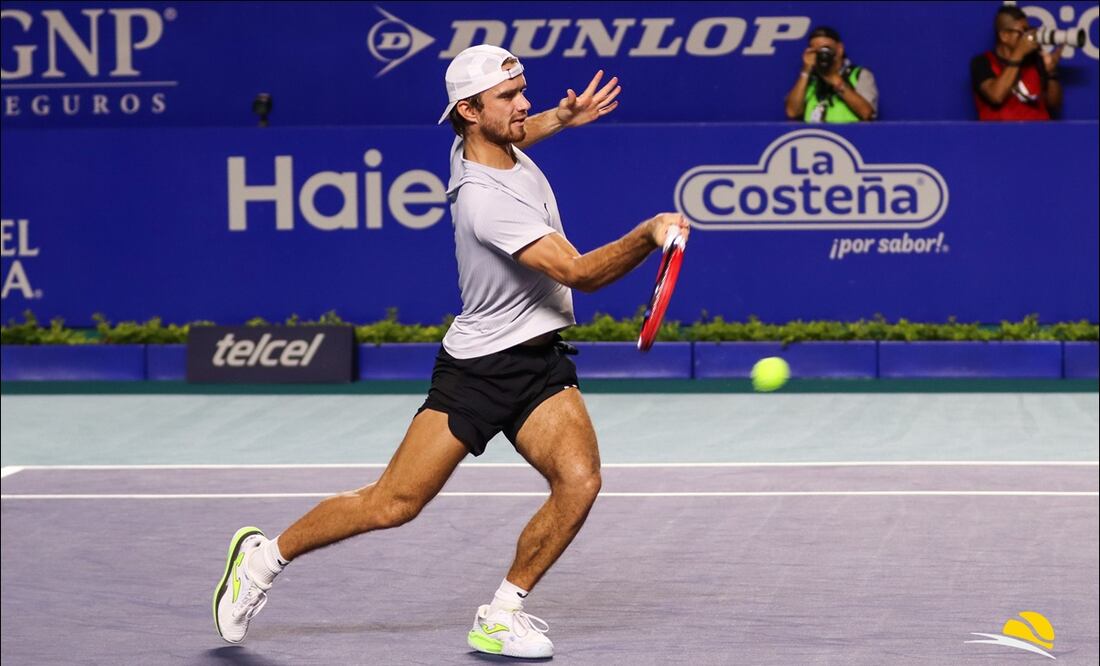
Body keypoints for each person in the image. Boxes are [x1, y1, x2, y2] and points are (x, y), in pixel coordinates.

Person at [212, 44, 691, 659]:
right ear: (468, 110)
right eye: (510, 98)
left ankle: (502, 612)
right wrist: (650, 232)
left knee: (579, 481)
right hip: (480, 370)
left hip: (539, 359)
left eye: (524, 91)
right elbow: (579, 273)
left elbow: (518, 133)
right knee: (393, 504)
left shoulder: (489, 142)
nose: (525, 106)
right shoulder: (484, 201)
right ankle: (263, 559)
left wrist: (560, 119)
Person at [971, 5, 1063, 120]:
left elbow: (1054, 104)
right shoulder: (982, 62)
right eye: (1023, 31)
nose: (1027, 36)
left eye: (1028, 30)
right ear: (1004, 36)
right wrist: (1019, 53)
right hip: (999, 136)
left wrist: (1051, 72)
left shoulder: (1036, 60)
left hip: (1039, 134)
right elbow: (996, 96)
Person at [785, 26, 878, 123]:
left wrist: (835, 80)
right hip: (815, 137)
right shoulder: (809, 79)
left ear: (839, 49)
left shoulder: (859, 75)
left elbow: (868, 114)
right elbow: (792, 112)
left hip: (850, 136)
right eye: (816, 51)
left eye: (825, 49)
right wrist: (805, 71)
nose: (822, 55)